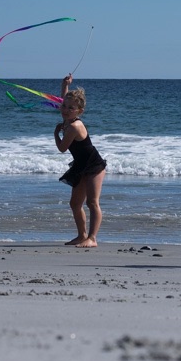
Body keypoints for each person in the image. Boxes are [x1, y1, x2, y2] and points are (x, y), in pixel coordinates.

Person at [54, 74, 107, 248]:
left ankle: (92, 238)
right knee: (75, 203)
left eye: (71, 108)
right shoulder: (67, 119)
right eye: (64, 106)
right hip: (80, 165)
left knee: (92, 202)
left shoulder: (74, 126)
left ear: (79, 111)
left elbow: (62, 148)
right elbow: (64, 99)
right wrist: (65, 85)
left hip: (94, 165)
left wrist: (55, 134)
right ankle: (81, 235)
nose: (65, 109)